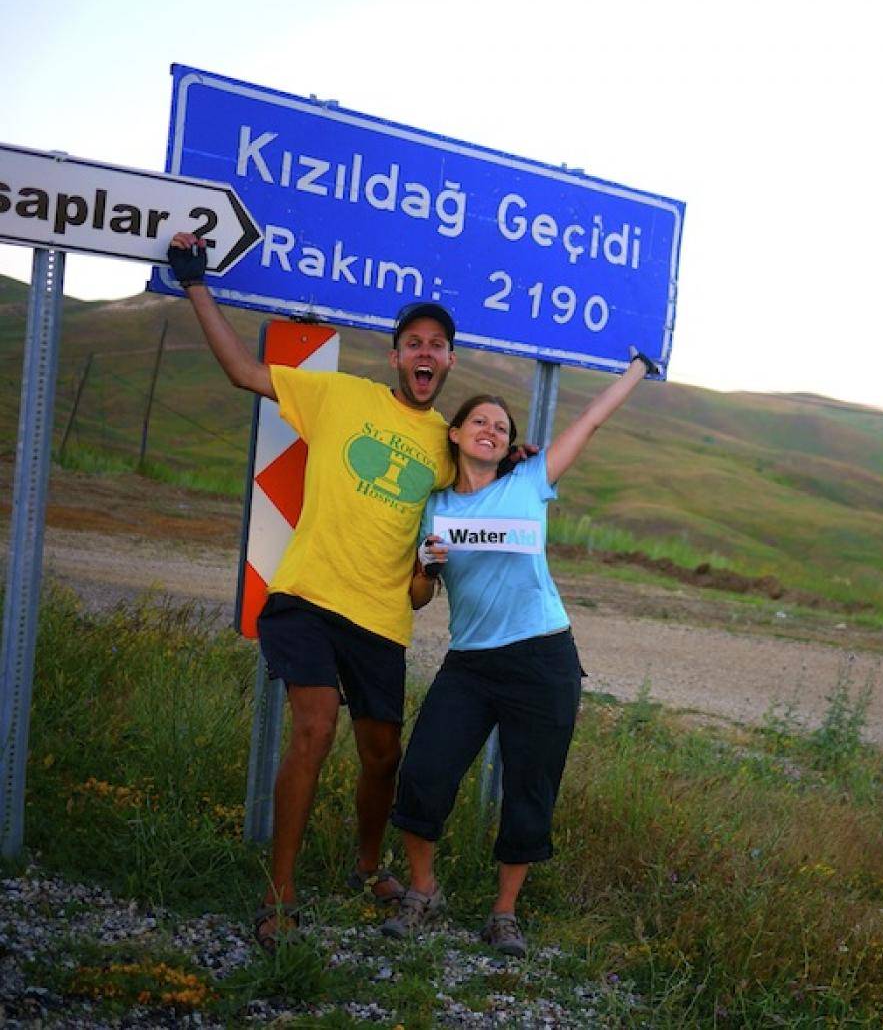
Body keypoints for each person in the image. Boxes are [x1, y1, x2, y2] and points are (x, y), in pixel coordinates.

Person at [165, 232, 459, 950]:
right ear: (395, 356)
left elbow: (429, 581)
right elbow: (241, 371)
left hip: (383, 619)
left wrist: (433, 570)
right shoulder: (339, 397)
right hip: (306, 598)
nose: (426, 354)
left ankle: (366, 867)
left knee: (382, 756)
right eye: (413, 343)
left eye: (438, 346)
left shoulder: (448, 448)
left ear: (449, 361)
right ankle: (279, 892)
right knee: (315, 727)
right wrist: (194, 282)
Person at [383, 347, 661, 955]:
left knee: (531, 788)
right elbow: (418, 597)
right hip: (472, 663)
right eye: (479, 421)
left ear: (511, 445)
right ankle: (424, 892)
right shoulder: (434, 506)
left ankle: (504, 913)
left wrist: (639, 369)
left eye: (502, 427)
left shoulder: (531, 482)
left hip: (542, 658)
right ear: (455, 433)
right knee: (425, 773)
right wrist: (427, 569)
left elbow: (589, 422)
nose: (490, 430)